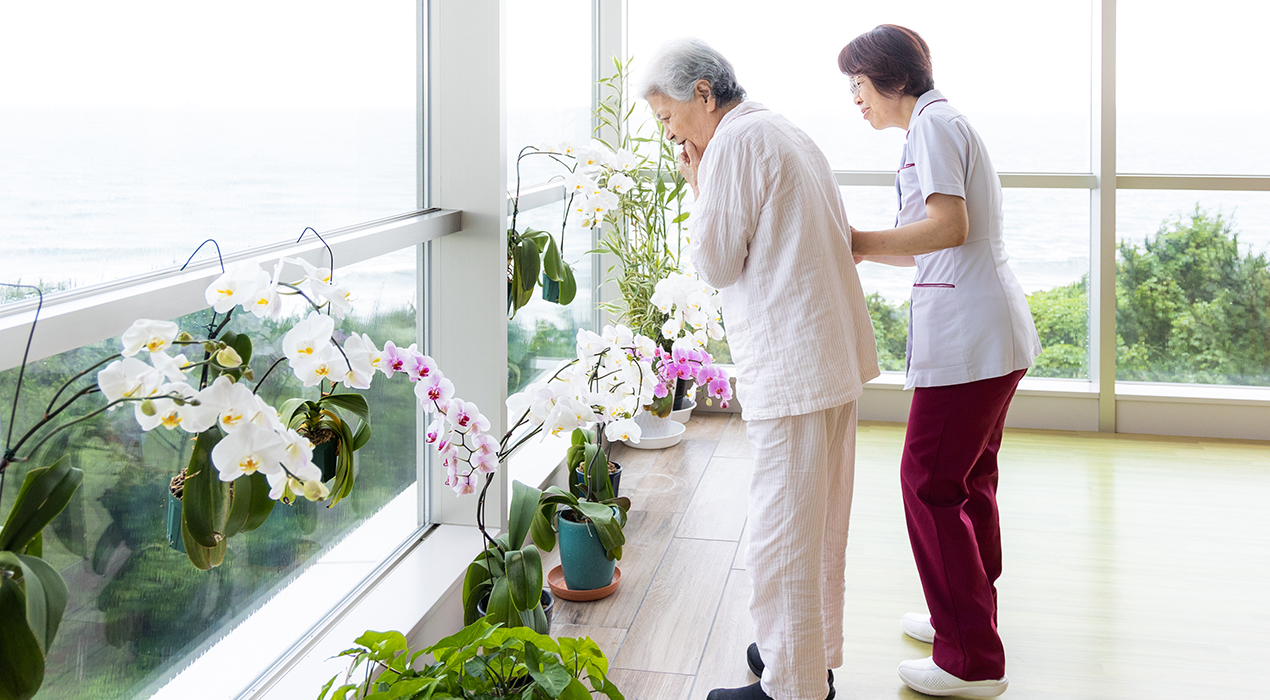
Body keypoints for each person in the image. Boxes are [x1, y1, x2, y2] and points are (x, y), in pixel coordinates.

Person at [639, 38, 880, 700]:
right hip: (825, 356)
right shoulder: (780, 128)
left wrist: (697, 183)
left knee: (783, 529)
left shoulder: (733, 147)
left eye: (668, 119)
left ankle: (795, 688)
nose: (669, 135)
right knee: (815, 521)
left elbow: (717, 262)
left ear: (703, 94)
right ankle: (800, 652)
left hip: (795, 365)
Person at [839, 24, 1041, 698]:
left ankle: (972, 660)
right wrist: (860, 247)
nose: (855, 99)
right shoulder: (935, 126)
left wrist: (860, 236)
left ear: (890, 78)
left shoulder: (931, 126)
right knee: (970, 477)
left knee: (928, 482)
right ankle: (965, 616)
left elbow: (948, 226)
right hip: (986, 332)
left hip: (972, 340)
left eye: (858, 85)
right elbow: (932, 242)